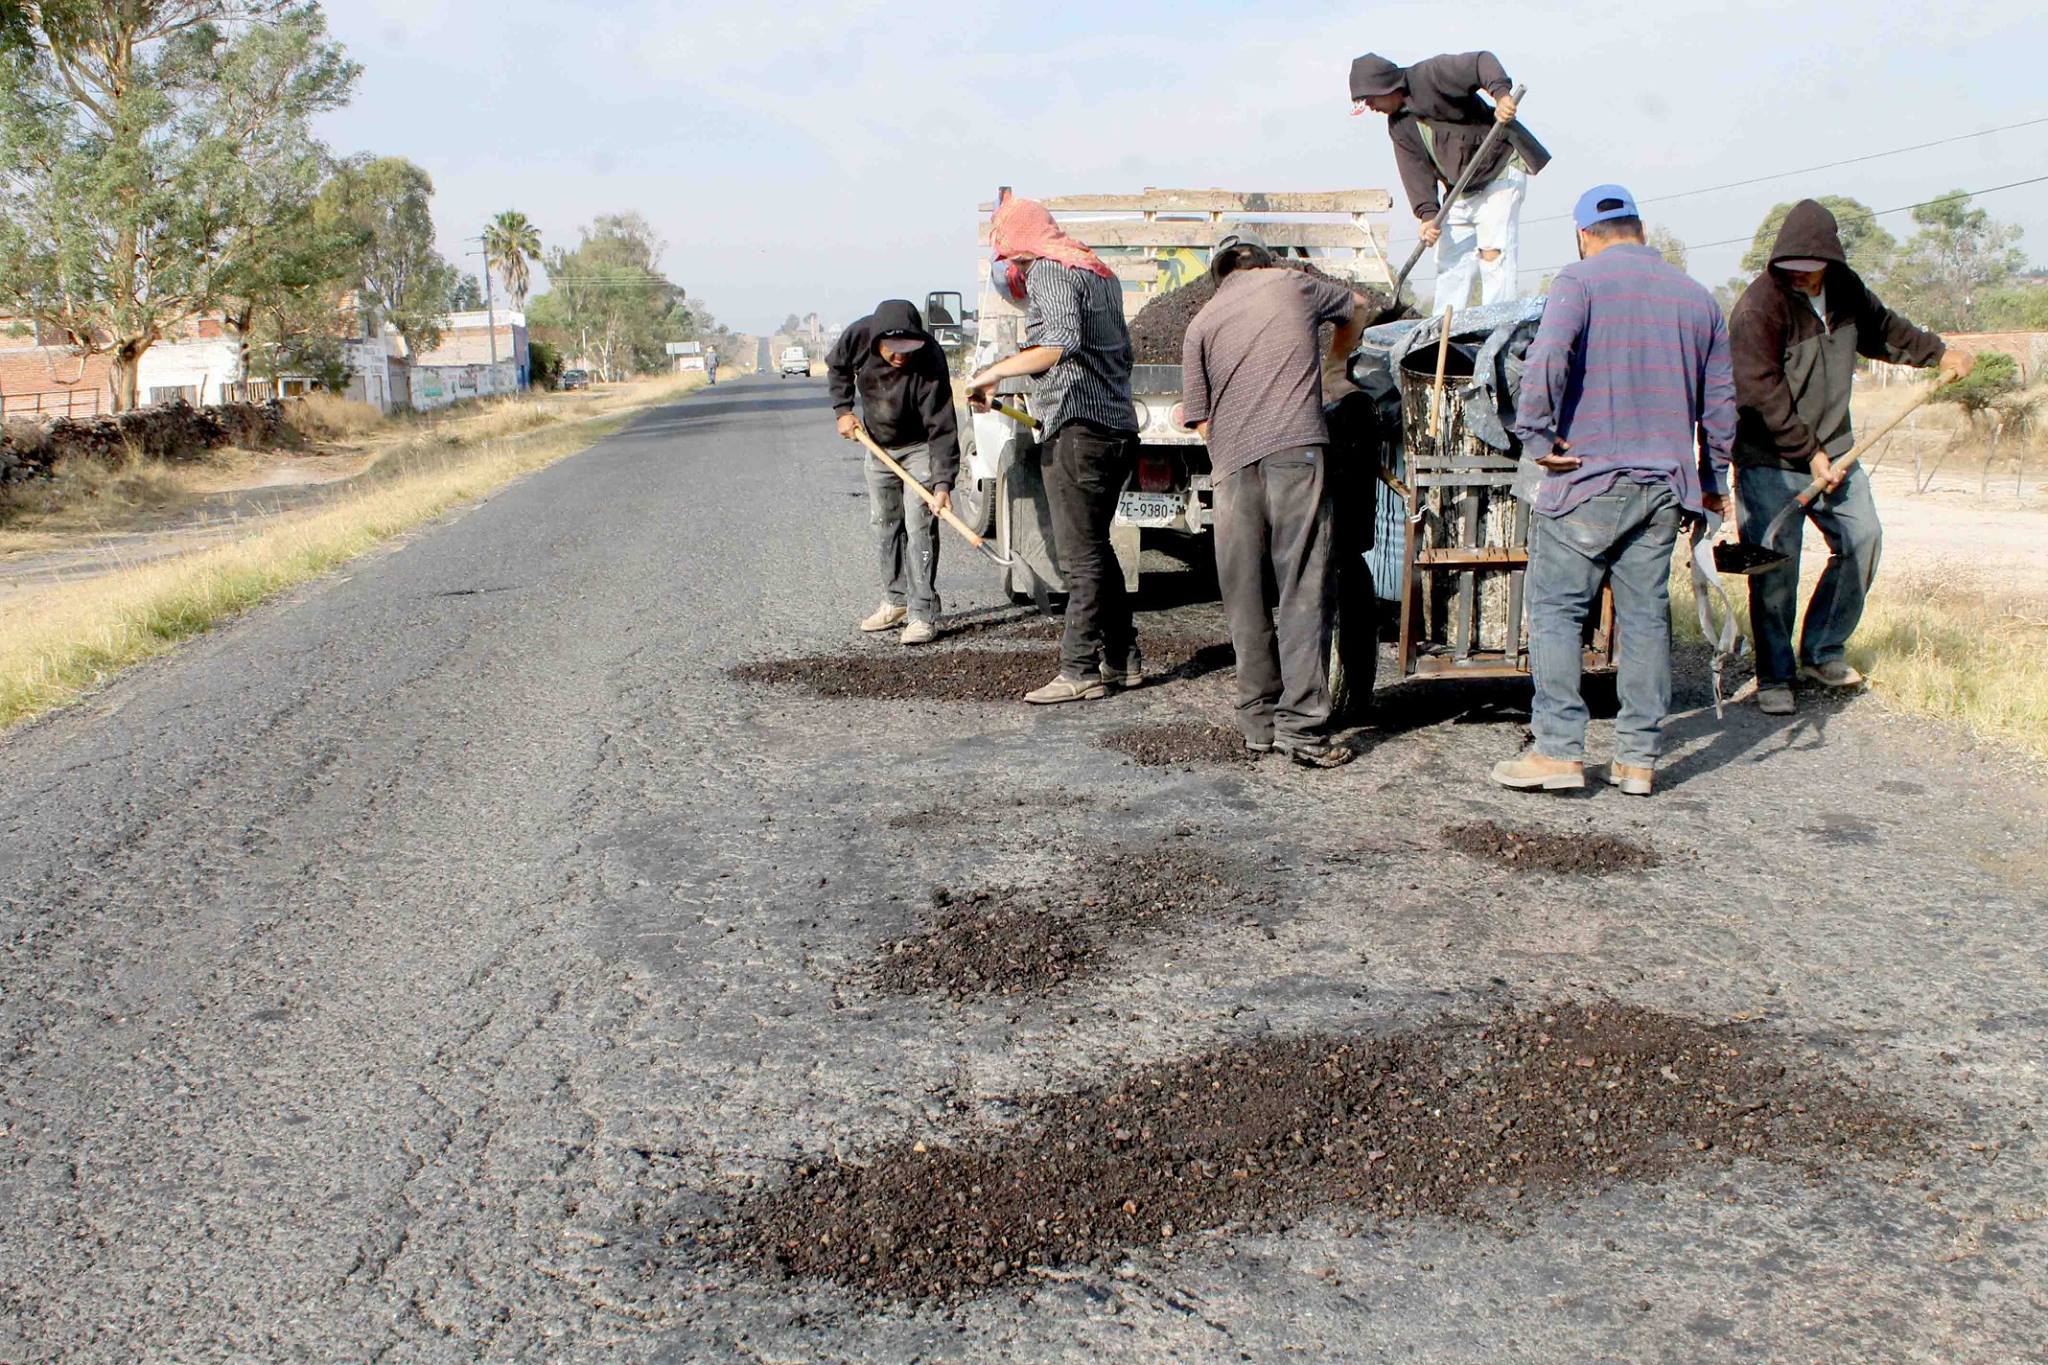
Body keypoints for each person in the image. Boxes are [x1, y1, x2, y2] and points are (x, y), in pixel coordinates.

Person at [1495, 185, 1736, 797]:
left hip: (1589, 480)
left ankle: (1557, 751)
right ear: (1641, 228)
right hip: (1664, 487)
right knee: (1646, 618)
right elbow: (1721, 406)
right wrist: (1713, 482)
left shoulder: (1578, 282)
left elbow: (1548, 355)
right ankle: (1638, 760)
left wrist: (1535, 434)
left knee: (1555, 611)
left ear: (1583, 234)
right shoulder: (1698, 299)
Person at [1729, 199, 1974, 716]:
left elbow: (1887, 332)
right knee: (1775, 565)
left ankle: (1821, 650)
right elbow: (1763, 394)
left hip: (1839, 451)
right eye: (1791, 269)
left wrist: (1939, 353)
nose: (1801, 278)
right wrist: (1808, 452)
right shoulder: (1758, 308)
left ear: (1829, 261)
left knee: (1863, 539)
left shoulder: (1847, 291)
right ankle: (1774, 676)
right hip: (1770, 459)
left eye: (1809, 269)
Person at [1180, 233, 1366, 768]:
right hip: (1296, 454)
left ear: (1219, 276)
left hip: (1232, 467)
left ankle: (1258, 725)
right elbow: (1358, 306)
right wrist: (1333, 365)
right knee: (1303, 586)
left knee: (1245, 596)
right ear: (1265, 264)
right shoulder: (1293, 283)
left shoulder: (1202, 322)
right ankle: (1303, 731)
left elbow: (1202, 419)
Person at [966, 196, 1142, 704]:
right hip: (1116, 431)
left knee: (1079, 557)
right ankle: (1123, 659)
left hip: (1079, 433)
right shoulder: (1099, 274)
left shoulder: (1049, 269)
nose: (1016, 269)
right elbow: (1106, 352)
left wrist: (992, 373)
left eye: (1013, 258)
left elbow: (1060, 342)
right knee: (1097, 548)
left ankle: (1079, 668)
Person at [1348, 50, 1549, 312]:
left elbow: (1481, 61)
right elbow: (1414, 168)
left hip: (1497, 169)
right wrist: (1427, 215)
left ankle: (1495, 328)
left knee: (1493, 254)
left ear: (1386, 86)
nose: (1371, 106)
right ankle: (1444, 331)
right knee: (1449, 262)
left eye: (1370, 99)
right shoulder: (1398, 125)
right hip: (1459, 189)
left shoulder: (1430, 76)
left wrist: (1501, 96)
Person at [827, 299, 961, 646]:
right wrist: (843, 410)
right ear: (877, 340)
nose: (901, 357)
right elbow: (837, 367)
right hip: (877, 444)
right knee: (885, 524)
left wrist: (943, 482)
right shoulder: (858, 335)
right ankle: (896, 601)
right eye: (893, 350)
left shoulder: (930, 357)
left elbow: (943, 426)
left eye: (908, 350)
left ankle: (923, 613)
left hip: (919, 448)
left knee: (919, 526)